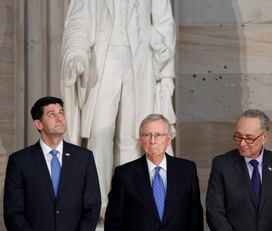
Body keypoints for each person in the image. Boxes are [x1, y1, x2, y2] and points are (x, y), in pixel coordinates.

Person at [60, 0, 176, 217]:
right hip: (102, 59)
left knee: (132, 137)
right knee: (100, 133)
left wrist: (167, 72)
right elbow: (79, 19)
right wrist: (75, 53)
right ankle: (99, 205)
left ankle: (128, 203)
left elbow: (164, 23)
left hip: (141, 59)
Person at [3, 96, 101, 231]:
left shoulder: (84, 158)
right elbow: (13, 212)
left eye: (61, 113)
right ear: (38, 124)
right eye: (51, 114)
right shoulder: (19, 161)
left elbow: (93, 205)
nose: (60, 118)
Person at [104, 114, 203, 230]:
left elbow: (195, 218)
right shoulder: (124, 174)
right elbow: (113, 222)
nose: (152, 141)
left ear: (168, 139)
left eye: (158, 135)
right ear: (141, 140)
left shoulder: (187, 170)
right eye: (147, 135)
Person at [206, 109, 272, 231]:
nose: (242, 143)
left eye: (249, 138)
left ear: (264, 137)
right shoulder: (222, 165)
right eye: (238, 136)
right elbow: (214, 212)